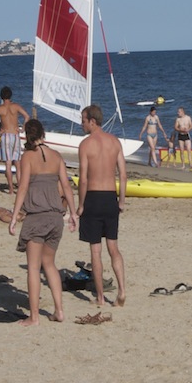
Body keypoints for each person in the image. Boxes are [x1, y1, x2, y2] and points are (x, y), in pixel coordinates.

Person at [9, 119, 77, 325]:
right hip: (56, 217)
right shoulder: (56, 156)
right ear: (43, 134)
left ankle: (35, 316)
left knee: (33, 266)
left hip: (37, 217)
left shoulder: (27, 157)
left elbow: (22, 188)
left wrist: (14, 216)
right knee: (49, 264)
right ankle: (59, 311)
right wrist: (73, 213)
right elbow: (66, 187)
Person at [77, 104, 126, 308]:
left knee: (96, 251)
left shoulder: (86, 145)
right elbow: (123, 175)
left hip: (93, 198)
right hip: (110, 197)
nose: (81, 124)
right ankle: (122, 291)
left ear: (92, 121)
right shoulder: (114, 142)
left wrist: (80, 205)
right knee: (113, 247)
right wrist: (121, 200)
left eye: (83, 120)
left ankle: (99, 297)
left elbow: (84, 179)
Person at [0, 86, 29, 195]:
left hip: (6, 135)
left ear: (1, 97)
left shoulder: (0, 108)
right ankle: (19, 187)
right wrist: (23, 128)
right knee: (17, 163)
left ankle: (11, 189)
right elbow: (27, 116)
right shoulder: (16, 106)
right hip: (15, 134)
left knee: (8, 164)